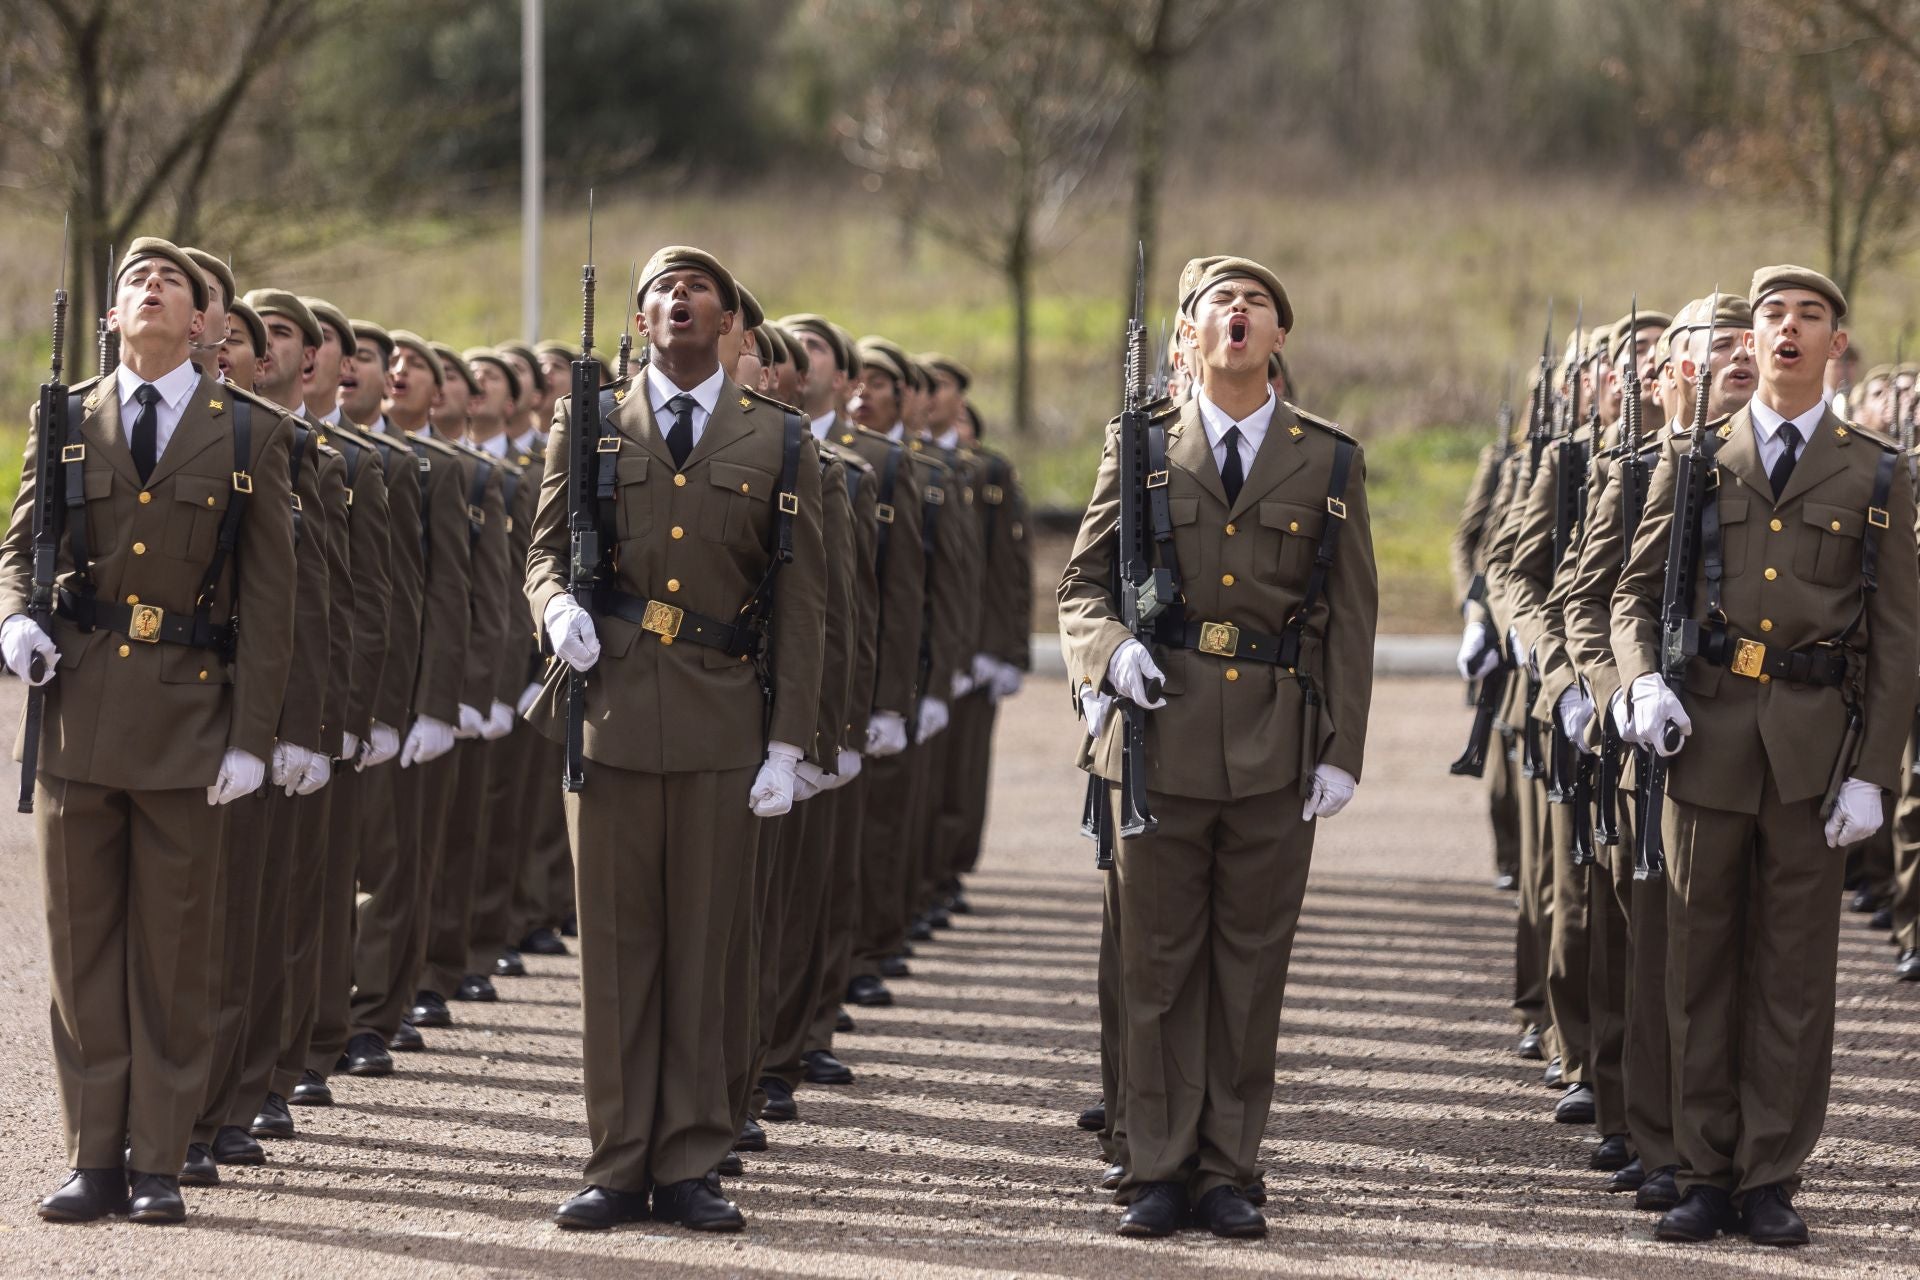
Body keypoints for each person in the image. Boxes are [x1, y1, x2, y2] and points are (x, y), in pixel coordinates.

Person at [1059, 255, 1377, 1239]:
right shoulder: (1139, 446)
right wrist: (1110, 660)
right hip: (1158, 734)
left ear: (1280, 336)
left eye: (1256, 305)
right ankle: (1155, 1161)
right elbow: (1082, 589)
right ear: (1188, 336)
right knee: (1156, 962)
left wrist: (1340, 748)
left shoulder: (1329, 459)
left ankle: (1229, 1164)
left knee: (1249, 964)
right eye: (1216, 305)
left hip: (1274, 741)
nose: (1236, 315)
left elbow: (1347, 617)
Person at [1612, 265, 1919, 1246]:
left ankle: (1770, 1173)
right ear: (1750, 342)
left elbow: (1897, 634)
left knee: (1792, 974)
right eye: (1771, 315)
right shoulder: (1696, 457)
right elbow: (1632, 590)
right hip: (1703, 738)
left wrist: (1875, 769)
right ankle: (1702, 1169)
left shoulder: (1877, 472)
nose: (1785, 328)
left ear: (1835, 344)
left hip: (1811, 753)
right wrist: (1638, 680)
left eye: (1809, 316)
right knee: (1697, 964)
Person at [525, 245, 826, 1233]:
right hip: (610, 710)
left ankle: (693, 1156)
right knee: (616, 951)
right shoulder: (590, 420)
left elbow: (801, 601)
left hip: (720, 716)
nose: (678, 298)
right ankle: (617, 1160)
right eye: (661, 288)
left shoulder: (779, 441)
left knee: (708, 949)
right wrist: (555, 604)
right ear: (642, 318)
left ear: (732, 321)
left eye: (697, 287)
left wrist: (789, 741)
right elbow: (541, 551)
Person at [1, 237, 298, 1224]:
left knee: (173, 949)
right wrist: (13, 618)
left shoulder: (248, 434)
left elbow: (271, 594)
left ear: (205, 322)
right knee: (83, 948)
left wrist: (254, 736)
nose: (152, 287)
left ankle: (159, 1156)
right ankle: (93, 1154)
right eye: (135, 279)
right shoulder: (65, 417)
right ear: (112, 315)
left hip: (187, 715)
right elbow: (19, 545)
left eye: (170, 279)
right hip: (79, 713)